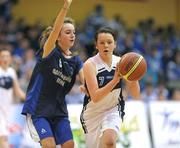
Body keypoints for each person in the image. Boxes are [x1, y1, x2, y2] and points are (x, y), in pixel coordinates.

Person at [21, 0, 84, 147]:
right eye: (67, 32)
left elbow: (85, 78)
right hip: (39, 109)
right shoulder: (50, 51)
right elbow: (55, 29)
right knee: (49, 145)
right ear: (58, 36)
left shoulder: (76, 60)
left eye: (74, 32)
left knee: (69, 145)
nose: (72, 35)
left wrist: (86, 86)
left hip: (59, 110)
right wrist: (66, 6)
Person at [80, 27, 140, 148]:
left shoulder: (122, 63)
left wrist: (133, 75)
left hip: (113, 108)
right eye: (102, 43)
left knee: (110, 141)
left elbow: (136, 94)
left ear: (115, 45)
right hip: (92, 113)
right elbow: (95, 97)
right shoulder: (90, 64)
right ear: (96, 45)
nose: (105, 45)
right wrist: (115, 81)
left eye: (109, 42)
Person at [0, 48, 25, 148]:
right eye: (2, 56)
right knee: (4, 136)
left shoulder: (12, 72)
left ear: (10, 59)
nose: (5, 58)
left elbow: (17, 90)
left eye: (7, 56)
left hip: (7, 108)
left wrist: (30, 99)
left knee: (3, 136)